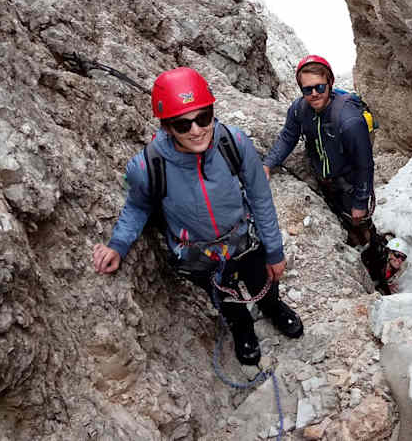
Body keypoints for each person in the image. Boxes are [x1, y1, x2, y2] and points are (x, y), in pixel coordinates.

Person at [92, 67, 303, 367]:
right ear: (166, 127)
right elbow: (138, 206)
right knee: (225, 298)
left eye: (203, 117)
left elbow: (260, 197)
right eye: (182, 124)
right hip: (200, 254)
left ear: (212, 111)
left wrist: (274, 250)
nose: (196, 130)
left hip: (243, 238)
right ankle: (243, 328)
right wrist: (118, 245)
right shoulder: (148, 167)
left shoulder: (234, 143)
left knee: (262, 280)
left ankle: (273, 307)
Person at [263, 55, 379, 251]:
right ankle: (358, 247)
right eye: (307, 89)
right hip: (324, 180)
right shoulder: (299, 109)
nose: (314, 94)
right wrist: (268, 164)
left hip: (349, 183)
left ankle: (378, 258)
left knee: (361, 224)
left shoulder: (350, 120)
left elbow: (365, 164)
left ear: (330, 83)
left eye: (320, 87)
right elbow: (288, 138)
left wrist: (361, 201)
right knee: (344, 223)